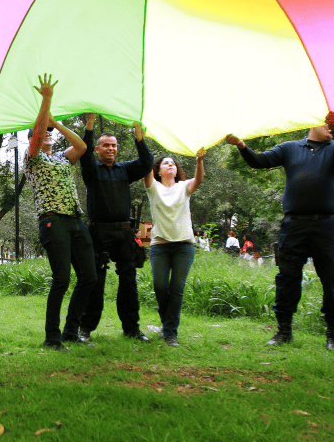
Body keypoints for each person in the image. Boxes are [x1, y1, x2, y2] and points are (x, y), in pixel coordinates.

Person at [226, 112, 334, 350]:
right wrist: (242, 146)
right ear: (312, 122)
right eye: (326, 122)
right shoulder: (289, 148)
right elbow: (259, 161)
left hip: (328, 225)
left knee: (332, 278)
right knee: (287, 279)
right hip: (294, 225)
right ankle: (284, 331)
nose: (329, 126)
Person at [24, 74, 94, 351]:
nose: (47, 135)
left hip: (76, 221)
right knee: (62, 279)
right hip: (53, 221)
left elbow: (82, 147)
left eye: (49, 133)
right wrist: (46, 101)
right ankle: (51, 338)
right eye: (43, 133)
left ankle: (70, 332)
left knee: (88, 278)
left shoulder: (62, 158)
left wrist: (57, 124)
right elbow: (38, 133)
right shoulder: (33, 160)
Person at [79, 113, 154, 343]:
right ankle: (85, 330)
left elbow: (147, 163)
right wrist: (90, 125)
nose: (111, 149)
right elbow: (83, 151)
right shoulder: (91, 170)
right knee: (96, 282)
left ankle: (132, 329)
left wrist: (139, 139)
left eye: (114, 146)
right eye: (106, 145)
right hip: (99, 233)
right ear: (97, 149)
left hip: (124, 234)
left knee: (129, 281)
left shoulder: (125, 170)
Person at [143, 151, 206, 346]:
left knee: (177, 289)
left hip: (184, 245)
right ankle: (166, 325)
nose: (170, 165)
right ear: (158, 171)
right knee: (160, 286)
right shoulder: (153, 188)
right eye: (165, 164)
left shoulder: (183, 187)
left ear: (177, 170)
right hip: (160, 245)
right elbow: (146, 169)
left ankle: (171, 333)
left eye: (173, 164)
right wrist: (141, 143)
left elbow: (199, 180)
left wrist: (199, 161)